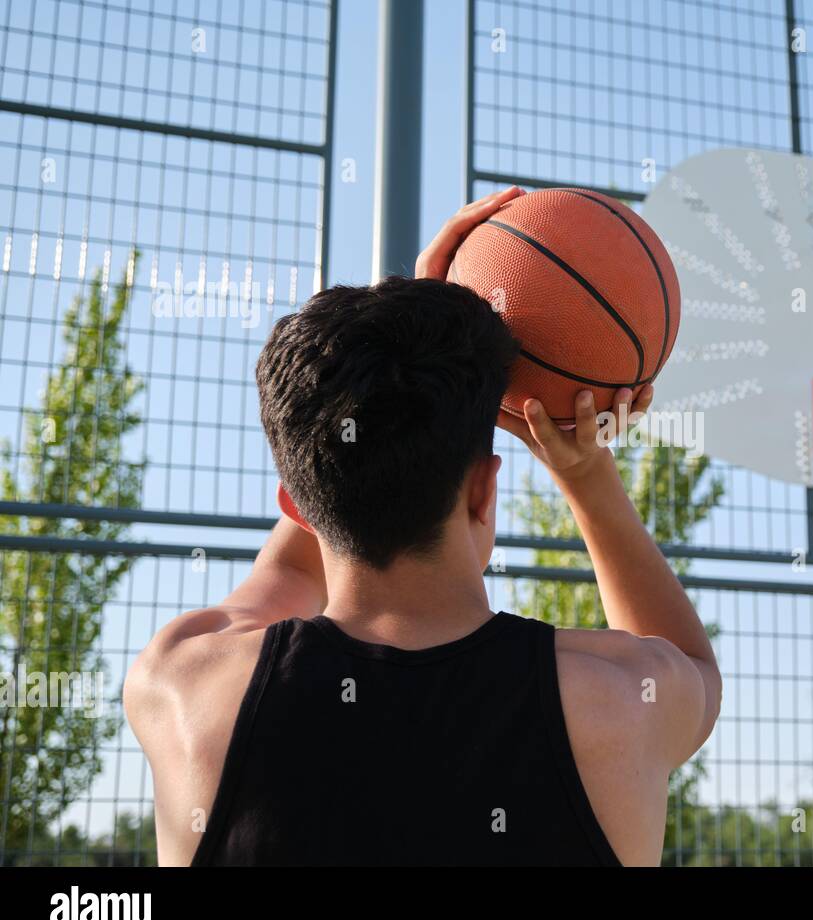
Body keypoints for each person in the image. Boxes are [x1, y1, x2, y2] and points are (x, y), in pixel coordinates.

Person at [124, 187, 722, 866]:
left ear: (294, 504)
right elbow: (695, 666)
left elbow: (292, 562)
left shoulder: (185, 687)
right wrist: (586, 474)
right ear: (484, 488)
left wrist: (397, 340)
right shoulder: (618, 701)